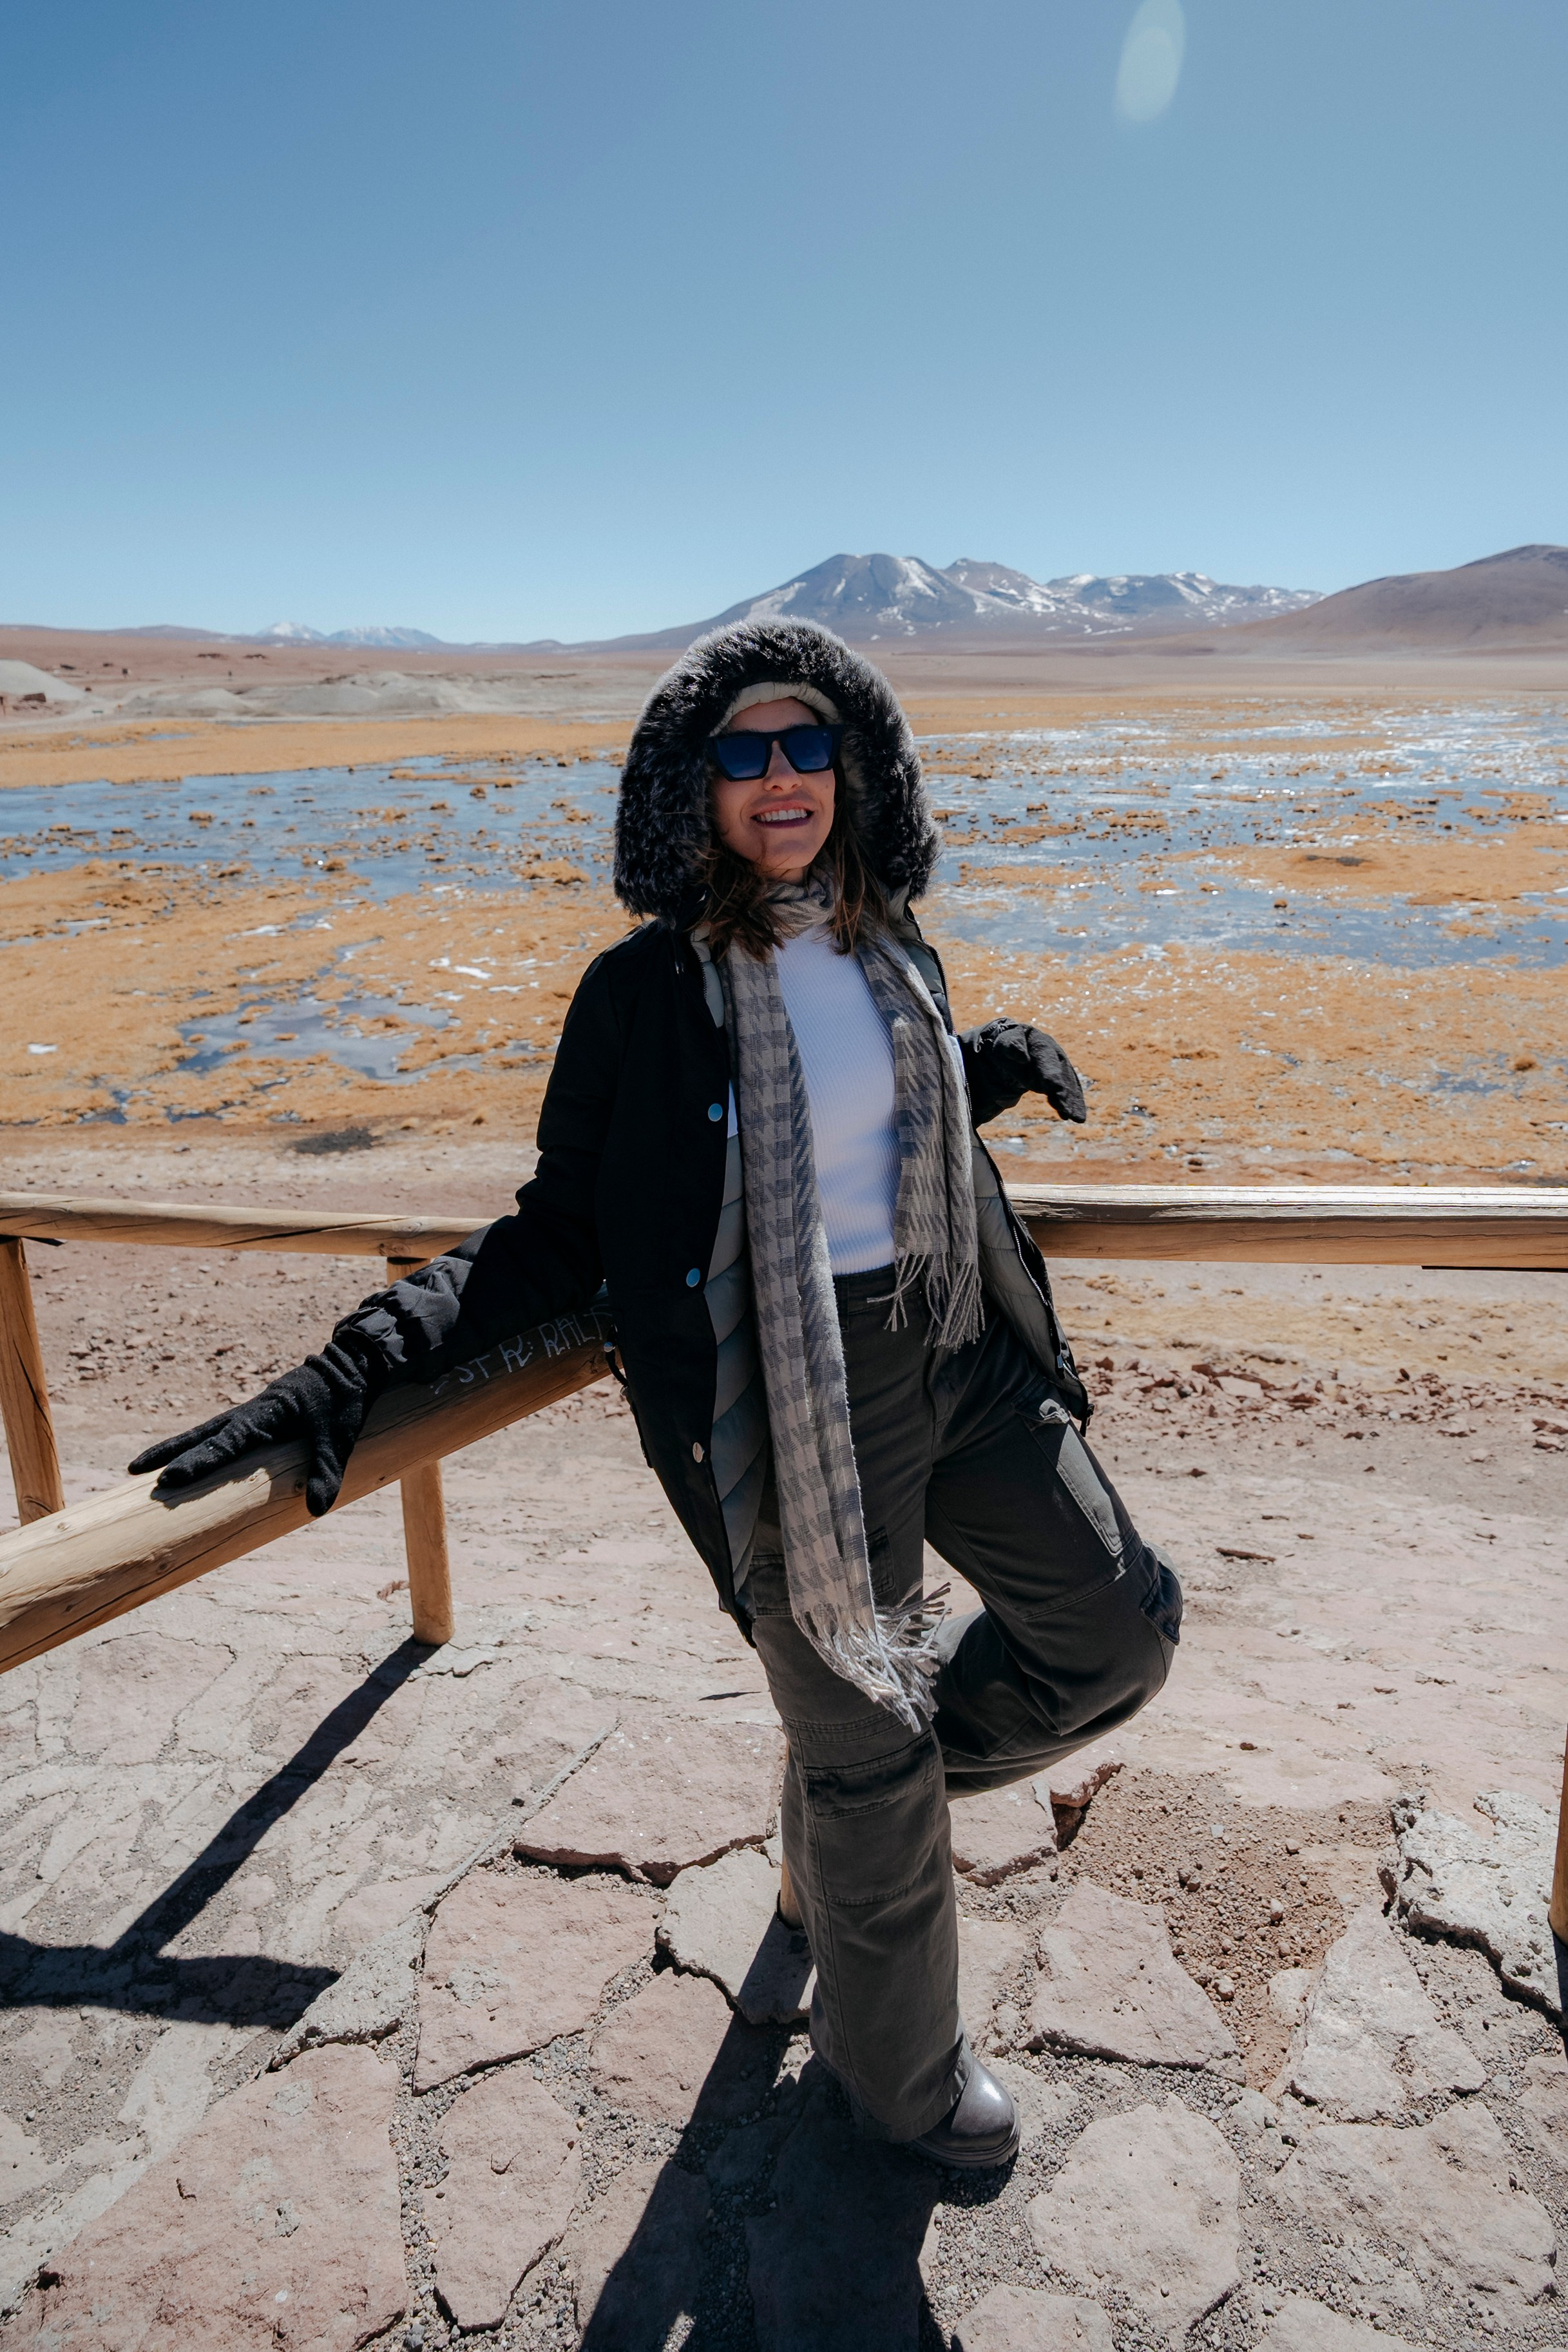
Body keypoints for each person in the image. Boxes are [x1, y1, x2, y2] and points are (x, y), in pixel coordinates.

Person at [131, 618, 1181, 2166]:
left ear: (856, 769)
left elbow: (870, 1103)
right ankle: (898, 2081)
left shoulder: (892, 940)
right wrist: (346, 1369)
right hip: (794, 1399)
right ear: (687, 787)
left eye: (806, 744)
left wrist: (980, 1064)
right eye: (740, 752)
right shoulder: (639, 995)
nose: (778, 778)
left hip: (963, 1343)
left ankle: (839, 1790)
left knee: (1116, 1632)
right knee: (873, 1749)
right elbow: (561, 1231)